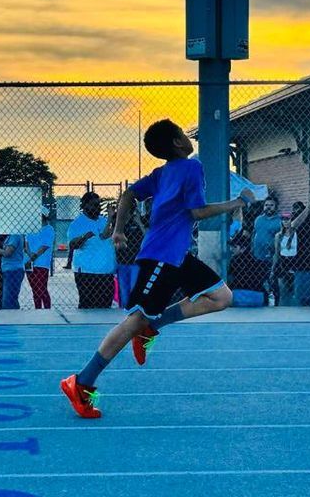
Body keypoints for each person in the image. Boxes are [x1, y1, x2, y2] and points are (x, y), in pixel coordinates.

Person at [61, 119, 253, 419]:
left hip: (177, 256)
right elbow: (197, 211)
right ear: (177, 142)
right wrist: (236, 202)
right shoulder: (191, 167)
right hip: (162, 256)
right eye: (182, 134)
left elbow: (128, 194)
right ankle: (82, 382)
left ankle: (153, 326)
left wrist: (120, 229)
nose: (188, 138)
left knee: (221, 297)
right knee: (134, 321)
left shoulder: (161, 174)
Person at [68, 192, 117, 308]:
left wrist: (111, 218)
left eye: (99, 204)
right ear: (85, 205)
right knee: (88, 307)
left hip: (106, 272)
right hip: (87, 272)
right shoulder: (77, 223)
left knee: (105, 307)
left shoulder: (104, 220)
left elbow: (105, 235)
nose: (98, 207)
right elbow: (72, 245)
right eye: (94, 205)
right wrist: (84, 237)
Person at [23, 210, 56, 309]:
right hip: (29, 262)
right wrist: (30, 255)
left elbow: (44, 246)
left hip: (41, 263)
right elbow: (26, 244)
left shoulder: (49, 229)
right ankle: (37, 309)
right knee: (34, 290)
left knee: (42, 289)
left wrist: (33, 256)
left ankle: (47, 309)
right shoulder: (30, 228)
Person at [0, 227, 26, 310]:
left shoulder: (15, 235)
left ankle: (11, 316)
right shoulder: (11, 236)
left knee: (8, 301)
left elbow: (7, 253)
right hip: (10, 270)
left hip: (13, 270)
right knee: (12, 298)